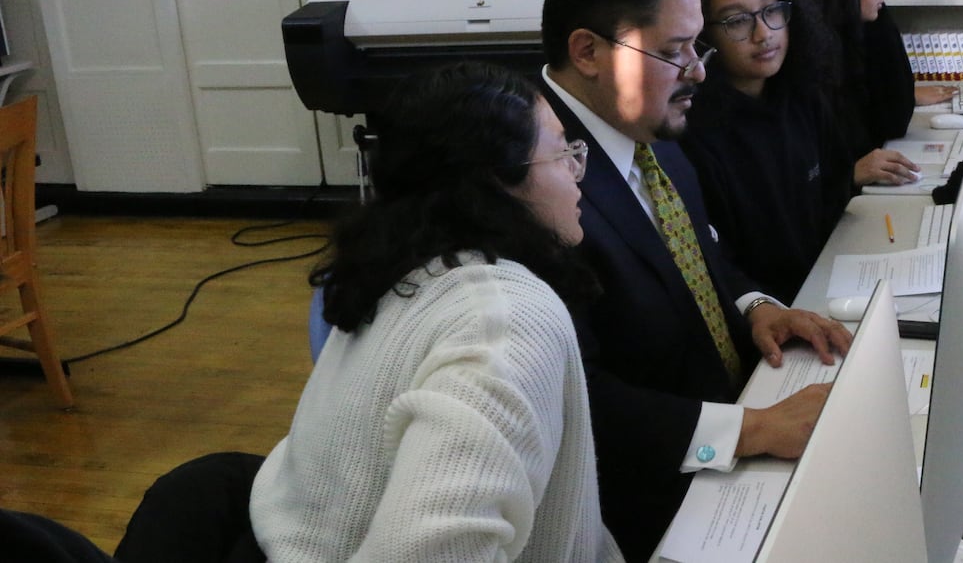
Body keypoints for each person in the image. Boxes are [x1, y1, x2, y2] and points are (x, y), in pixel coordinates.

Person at [0, 61, 621, 563]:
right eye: (562, 153)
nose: (577, 174)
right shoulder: (506, 321)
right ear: (496, 182)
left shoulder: (404, 264)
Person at [537, 0, 854, 560]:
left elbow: (704, 256)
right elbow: (573, 392)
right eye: (673, 51)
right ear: (588, 51)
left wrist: (757, 307)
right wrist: (750, 430)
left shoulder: (649, 129)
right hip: (644, 502)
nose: (699, 71)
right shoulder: (538, 176)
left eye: (697, 45)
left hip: (724, 433)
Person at [681, 0, 853, 303]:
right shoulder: (692, 132)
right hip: (766, 313)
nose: (764, 34)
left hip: (827, 285)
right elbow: (718, 263)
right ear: (702, 35)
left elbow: (834, 194)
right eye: (737, 21)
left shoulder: (803, 95)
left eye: (772, 10)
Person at [773, 0, 959, 187]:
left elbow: (892, 116)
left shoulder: (846, 40)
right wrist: (849, 175)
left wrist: (870, 5)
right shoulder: (797, 64)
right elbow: (792, 185)